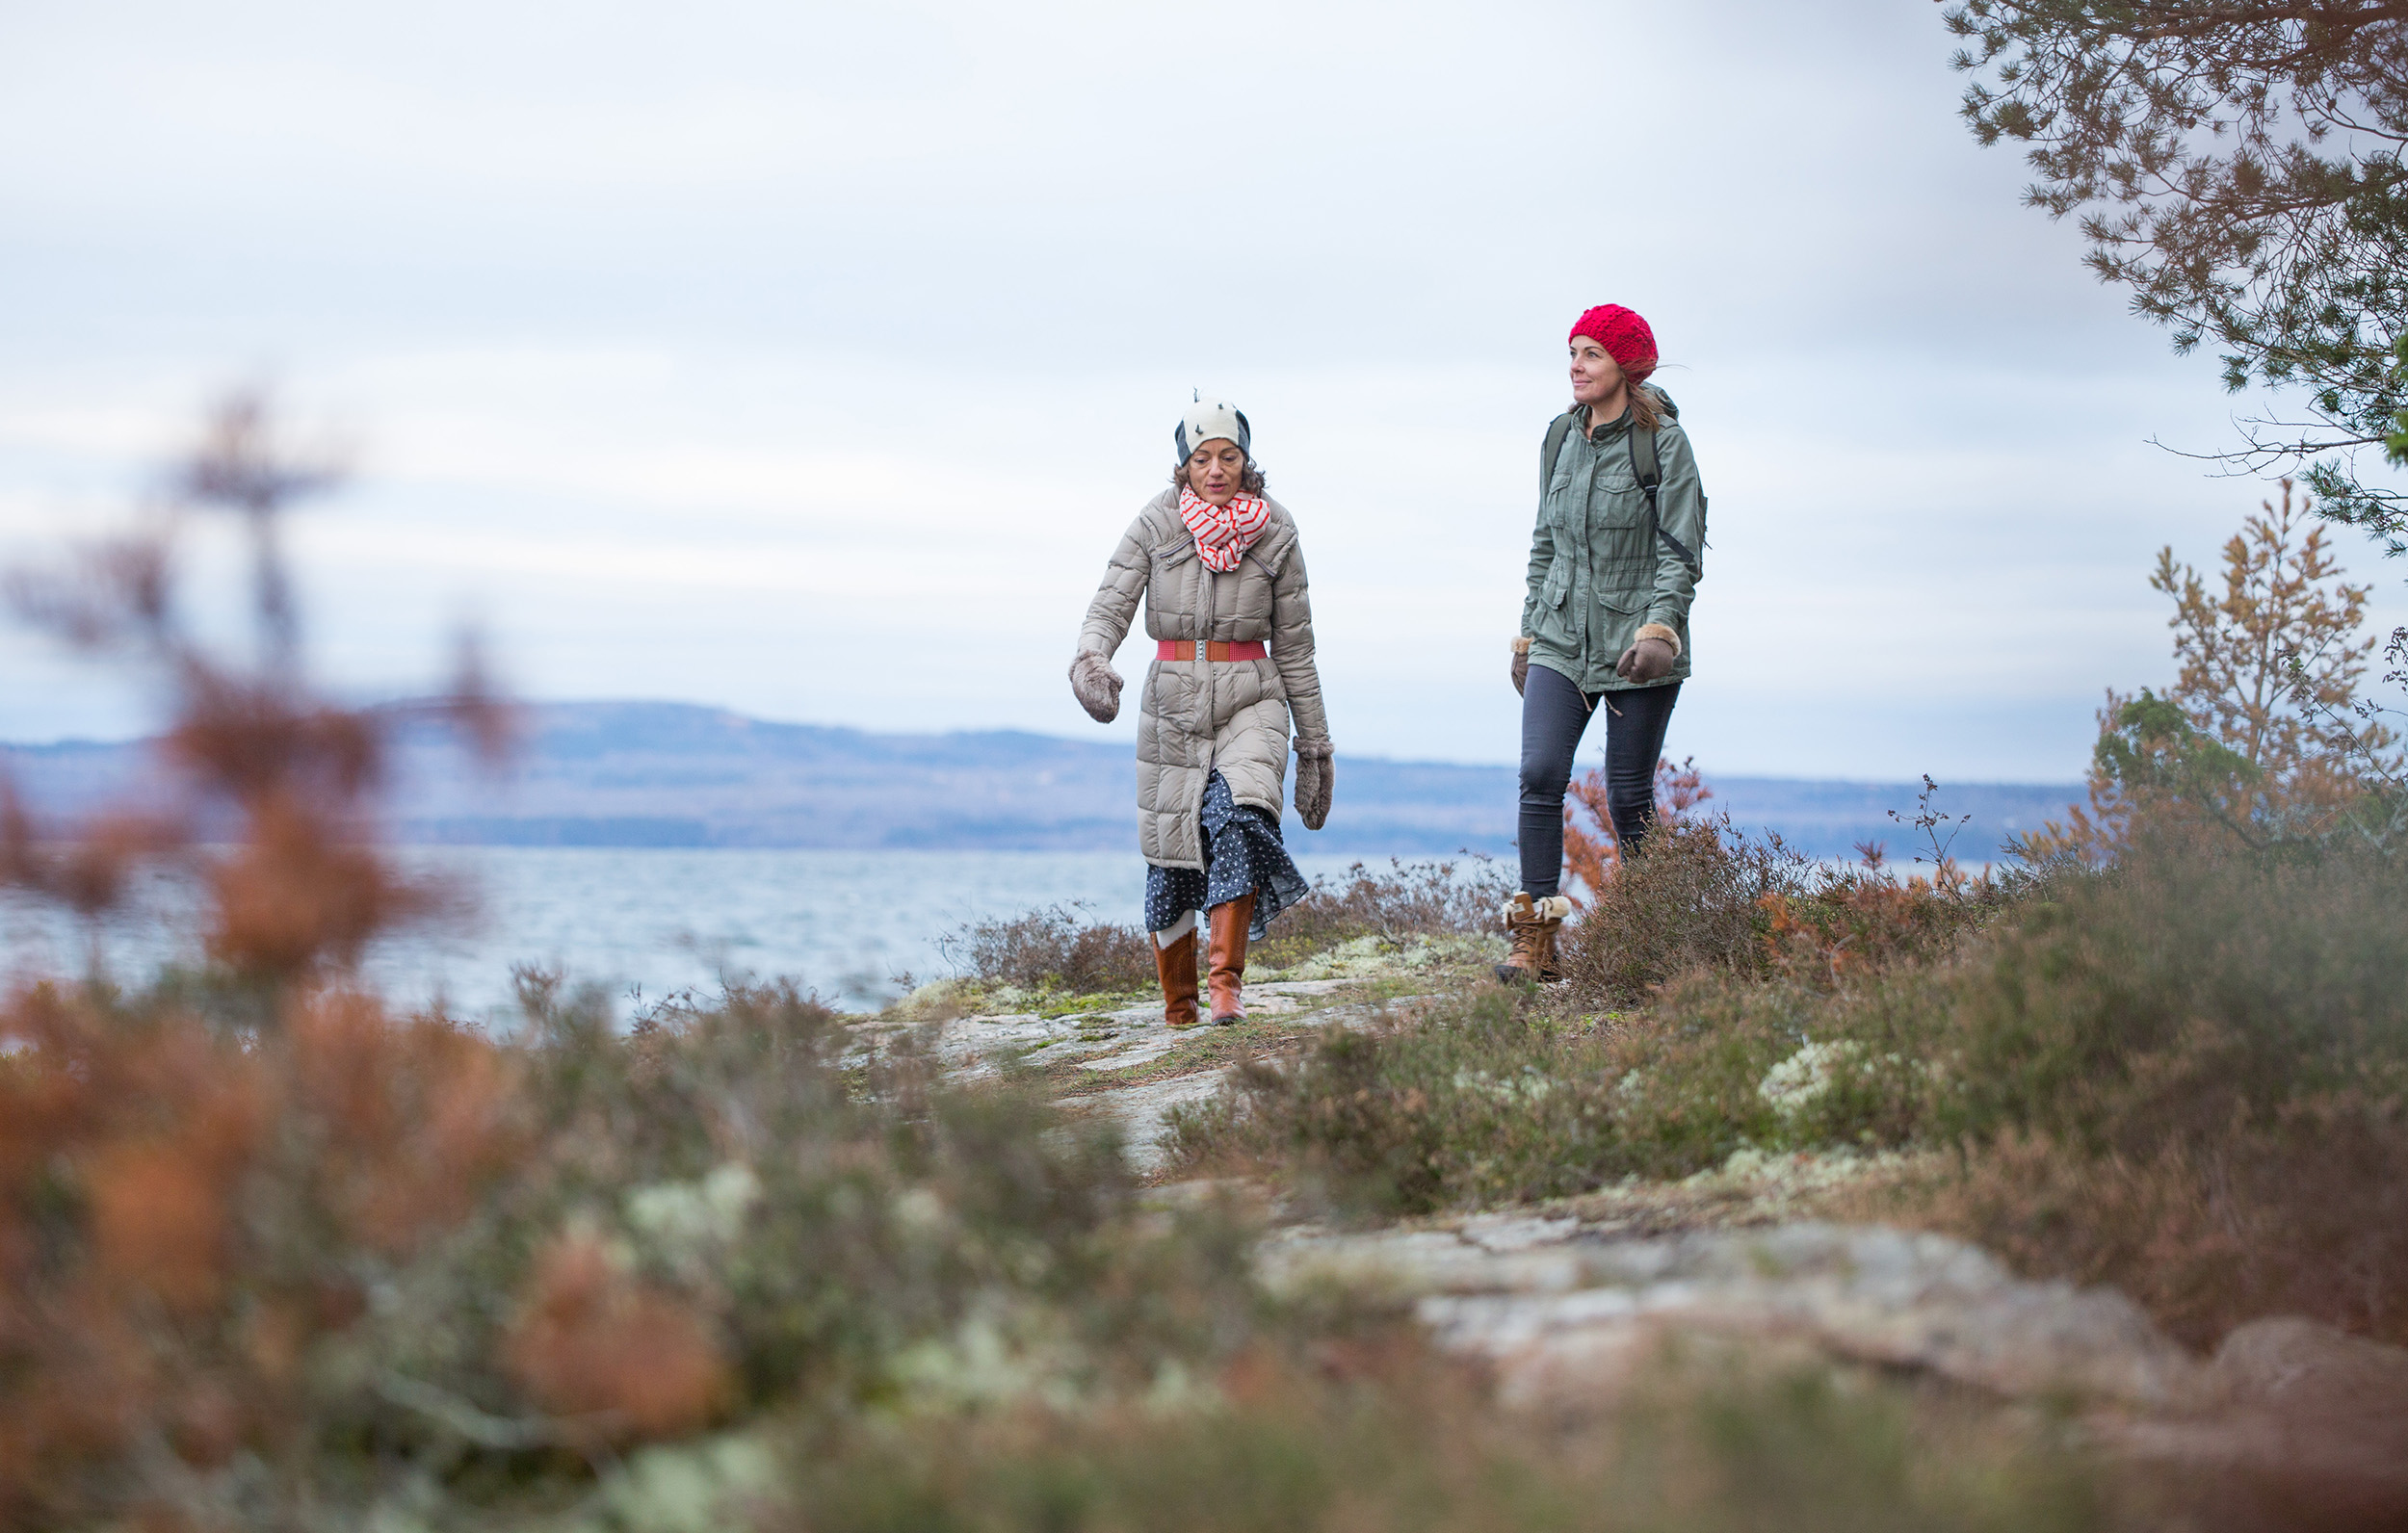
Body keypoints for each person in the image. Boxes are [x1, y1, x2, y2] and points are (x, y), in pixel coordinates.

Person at [1069, 398, 1335, 1026]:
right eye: (1202, 459)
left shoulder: (1277, 529)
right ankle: (1180, 1009)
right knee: (1171, 859)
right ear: (1184, 466)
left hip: (1253, 697)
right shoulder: (1155, 523)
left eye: (1229, 456)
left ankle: (1225, 989)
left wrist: (1315, 746)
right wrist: (1092, 659)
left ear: (1247, 460)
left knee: (1236, 817)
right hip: (1171, 705)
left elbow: (1297, 648)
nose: (1216, 470)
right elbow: (1110, 603)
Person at [1502, 304, 1706, 983]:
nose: (1576, 365)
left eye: (1591, 353)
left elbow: (1680, 552)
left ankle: (1656, 937)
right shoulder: (1561, 436)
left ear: (1625, 363)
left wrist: (1660, 631)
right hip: (1561, 636)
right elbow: (1543, 542)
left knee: (1626, 796)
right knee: (1538, 777)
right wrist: (1530, 632)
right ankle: (1535, 941)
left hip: (1634, 644)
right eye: (1573, 352)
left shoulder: (1664, 444)